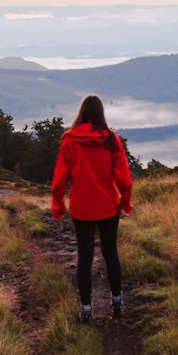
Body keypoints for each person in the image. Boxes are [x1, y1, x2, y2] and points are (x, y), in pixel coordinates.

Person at [51, 93, 133, 323]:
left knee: (85, 258)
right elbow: (125, 179)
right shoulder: (111, 139)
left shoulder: (70, 140)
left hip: (81, 208)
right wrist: (125, 203)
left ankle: (85, 309)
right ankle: (117, 302)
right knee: (110, 254)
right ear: (101, 113)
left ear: (81, 113)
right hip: (108, 206)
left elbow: (59, 178)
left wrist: (58, 205)